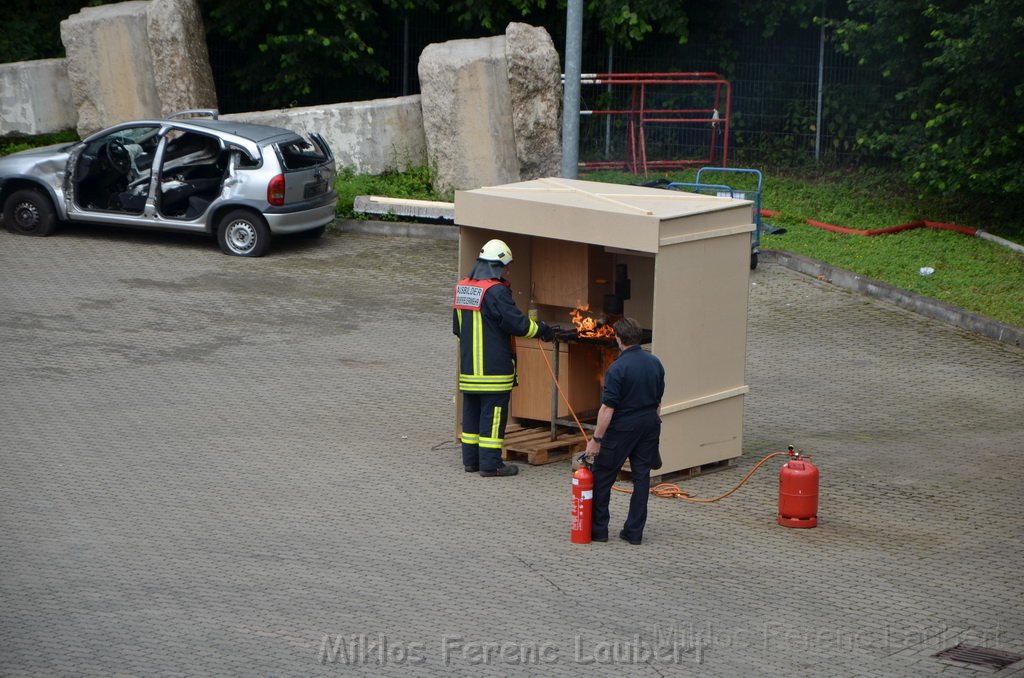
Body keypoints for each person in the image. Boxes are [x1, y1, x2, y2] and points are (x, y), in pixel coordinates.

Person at [453, 239, 555, 477]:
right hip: (494, 370)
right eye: (506, 266)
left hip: (469, 370)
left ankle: (471, 461)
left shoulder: (463, 288)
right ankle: (491, 465)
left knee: (472, 415)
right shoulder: (496, 291)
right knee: (493, 416)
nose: (507, 271)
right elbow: (517, 324)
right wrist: (542, 330)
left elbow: (457, 329)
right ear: (498, 265)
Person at [584, 317, 665, 544]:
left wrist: (596, 440)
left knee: (603, 476)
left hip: (623, 427)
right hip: (649, 424)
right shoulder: (655, 363)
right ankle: (634, 533)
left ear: (618, 338)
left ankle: (599, 531)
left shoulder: (617, 368)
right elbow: (658, 400)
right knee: (641, 478)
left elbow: (608, 408)